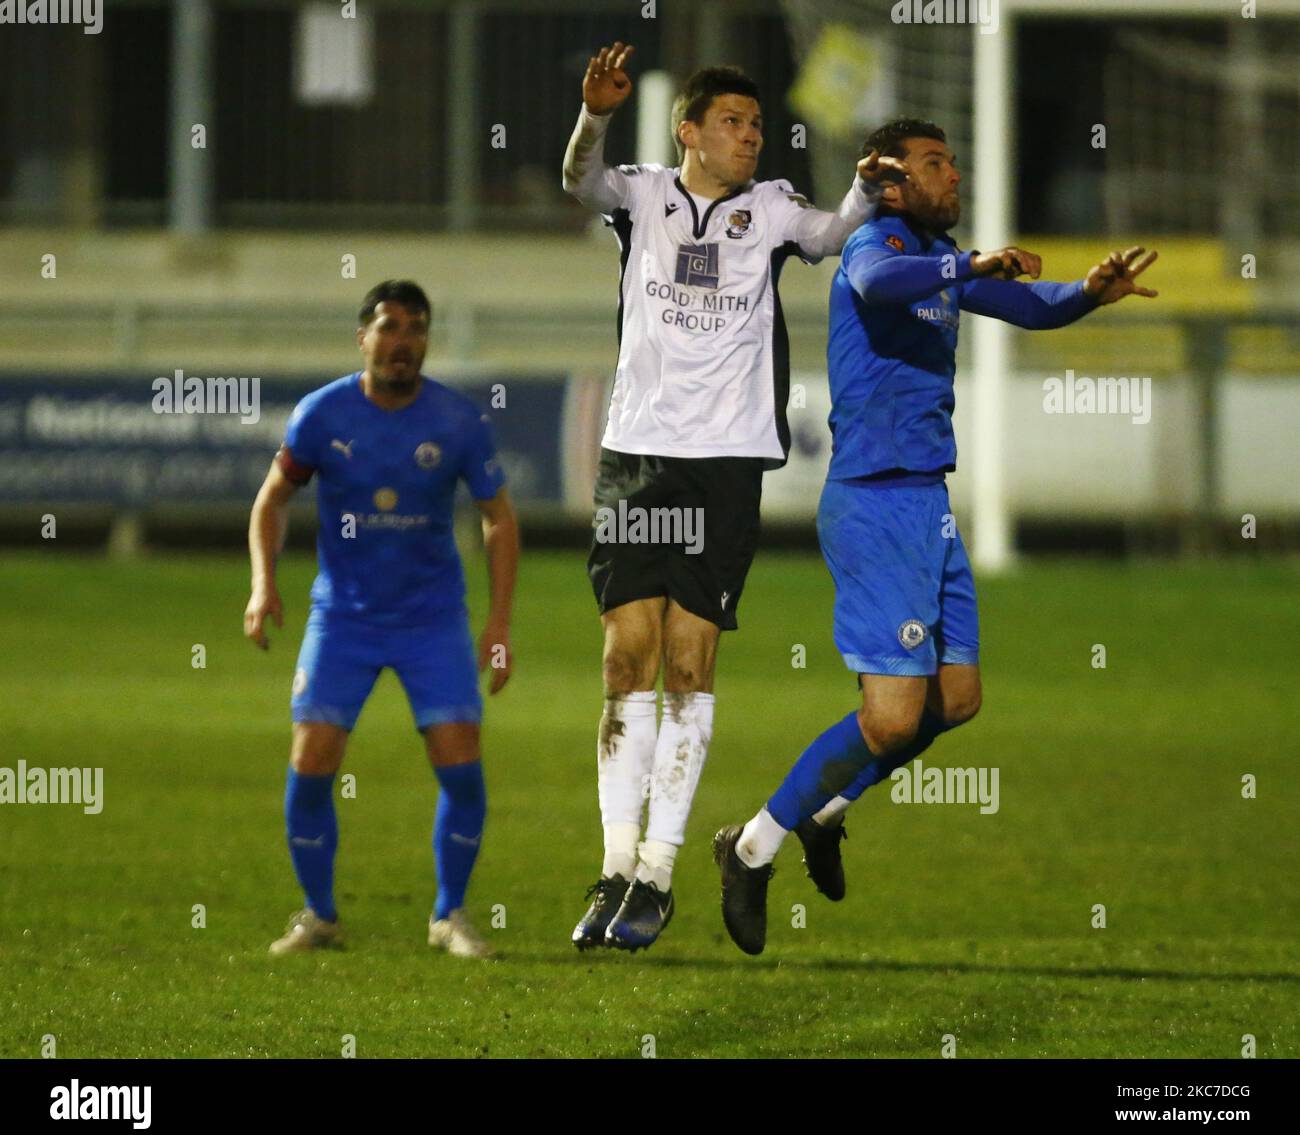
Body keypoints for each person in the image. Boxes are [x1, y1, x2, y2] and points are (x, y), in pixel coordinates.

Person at [713, 118, 1158, 955]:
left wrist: (1089, 294)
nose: (953, 177)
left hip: (928, 506)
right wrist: (970, 262)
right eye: (934, 165)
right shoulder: (875, 245)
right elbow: (879, 281)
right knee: (888, 721)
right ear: (892, 181)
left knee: (956, 700)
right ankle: (750, 847)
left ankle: (828, 812)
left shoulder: (939, 263)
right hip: (875, 504)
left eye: (953, 164)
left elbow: (1031, 305)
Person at [561, 43, 904, 951]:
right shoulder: (641, 195)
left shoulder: (775, 208)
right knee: (622, 661)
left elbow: (832, 238)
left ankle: (661, 873)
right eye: (733, 124)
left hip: (724, 463)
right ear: (690, 131)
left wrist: (866, 188)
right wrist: (594, 112)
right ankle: (614, 868)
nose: (750, 137)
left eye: (756, 125)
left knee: (688, 661)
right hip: (636, 455)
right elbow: (578, 181)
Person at [244, 279, 519, 959]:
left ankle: (449, 914)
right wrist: (262, 585)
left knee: (461, 768)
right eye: (390, 328)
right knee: (311, 761)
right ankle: (320, 915)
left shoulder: (456, 421)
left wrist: (498, 623)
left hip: (431, 619)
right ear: (362, 336)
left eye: (417, 329)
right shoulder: (321, 414)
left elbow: (499, 518)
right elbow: (271, 500)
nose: (403, 343)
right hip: (344, 617)